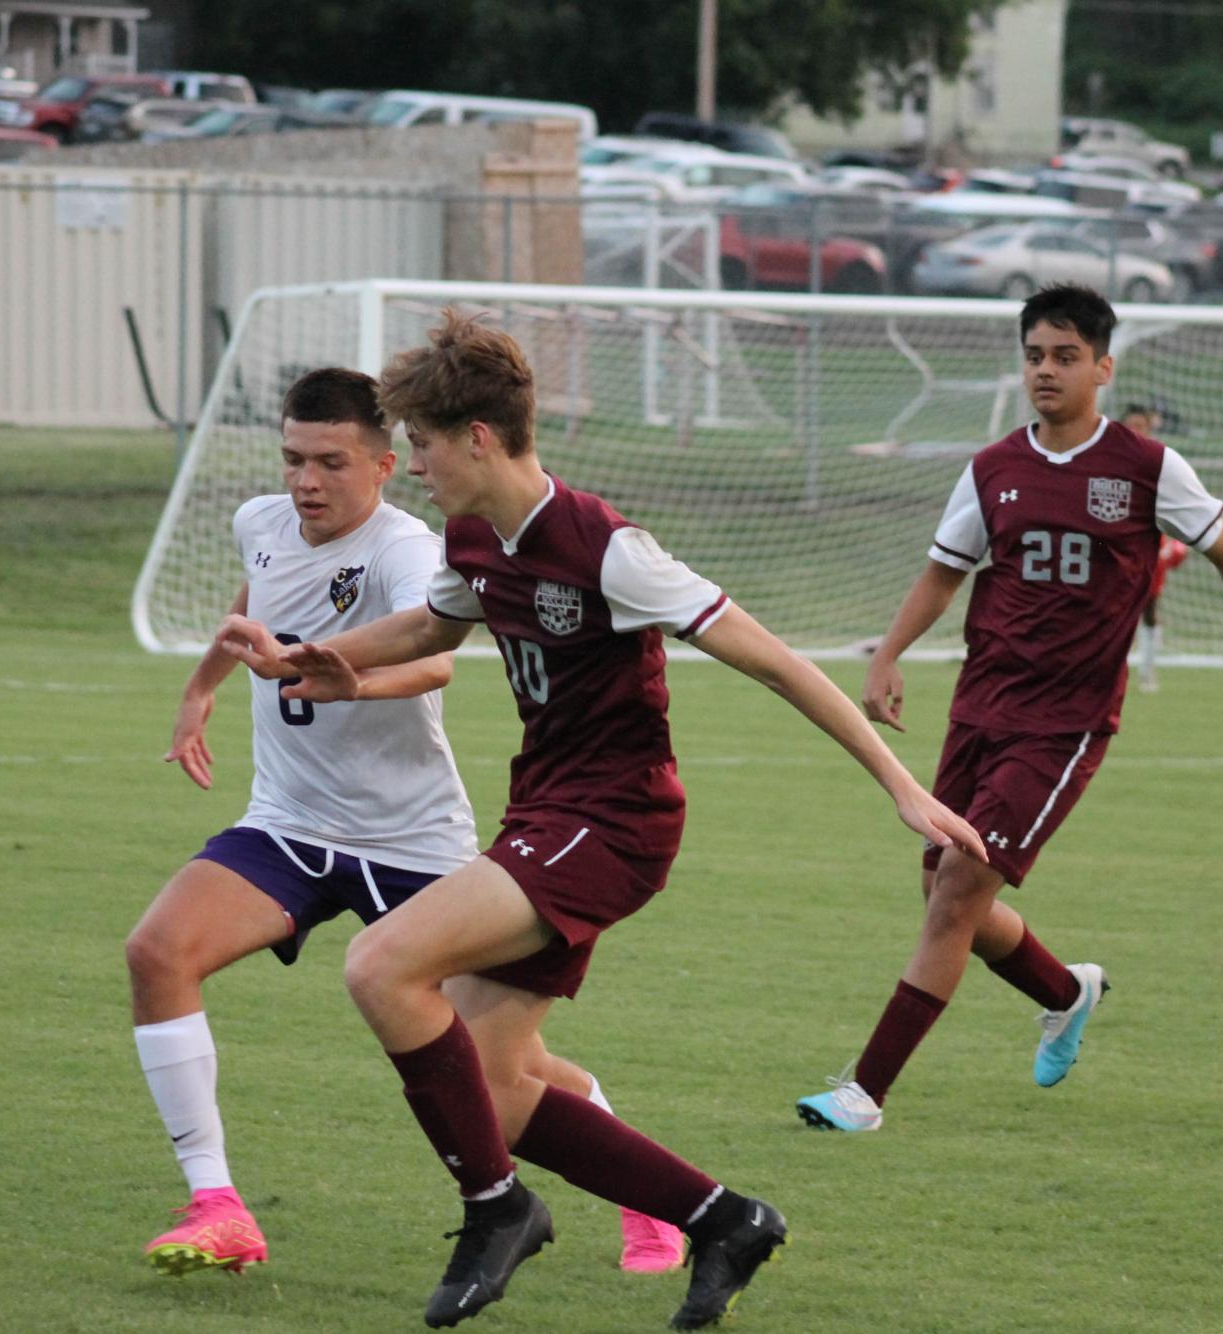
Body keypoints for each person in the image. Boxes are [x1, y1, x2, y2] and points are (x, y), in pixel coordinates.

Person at [218, 312, 984, 1330]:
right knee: (490, 1084)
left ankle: (496, 1209)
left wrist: (901, 783)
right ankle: (724, 1218)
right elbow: (436, 622)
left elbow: (777, 659)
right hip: (544, 809)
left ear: (480, 438)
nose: (418, 465)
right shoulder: (473, 536)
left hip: (614, 819)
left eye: (430, 444)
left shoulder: (609, 549)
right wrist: (324, 655)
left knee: (380, 965)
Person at [124, 368, 685, 1279]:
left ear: (386, 465)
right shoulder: (261, 524)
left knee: (507, 1065)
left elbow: (437, 663)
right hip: (290, 825)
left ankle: (644, 1198)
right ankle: (218, 1205)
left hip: (412, 842)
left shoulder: (408, 548)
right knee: (157, 952)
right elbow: (250, 605)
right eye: (293, 460)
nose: (306, 481)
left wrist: (349, 678)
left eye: (330, 463)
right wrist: (198, 694)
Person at [793, 285, 1223, 1135]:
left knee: (956, 893)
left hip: (1063, 723)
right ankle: (1066, 993)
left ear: (1103, 366)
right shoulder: (993, 469)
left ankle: (864, 1091)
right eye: (1034, 356)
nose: (1046, 371)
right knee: (942, 895)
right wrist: (885, 656)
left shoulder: (1145, 467)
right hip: (979, 707)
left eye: (1065, 356)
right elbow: (945, 572)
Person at [1119, 406, 1187, 694]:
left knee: (1148, 609)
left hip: (1150, 547)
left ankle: (1147, 671)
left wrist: (1175, 542)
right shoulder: (1108, 460)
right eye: (1130, 425)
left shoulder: (1161, 463)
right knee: (1111, 612)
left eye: (1141, 426)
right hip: (1115, 546)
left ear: (1149, 429)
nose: (1135, 431)